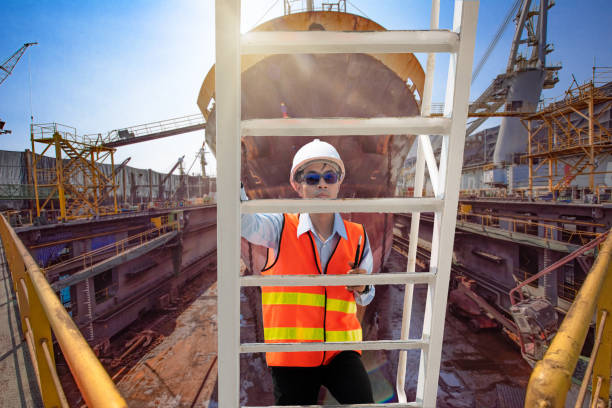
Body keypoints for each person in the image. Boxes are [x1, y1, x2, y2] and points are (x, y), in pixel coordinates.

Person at [241, 138, 375, 405]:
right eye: (312, 178)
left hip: (341, 353)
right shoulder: (279, 227)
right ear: (297, 185)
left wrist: (364, 288)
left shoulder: (357, 236)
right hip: (292, 355)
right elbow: (245, 222)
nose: (322, 184)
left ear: (339, 183)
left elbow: (367, 296)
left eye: (329, 176)